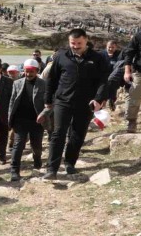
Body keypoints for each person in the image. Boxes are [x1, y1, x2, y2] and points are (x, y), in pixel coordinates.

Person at [45, 29, 109, 179]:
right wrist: (48, 100)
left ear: (86, 40)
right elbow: (51, 79)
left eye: (79, 43)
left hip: (86, 103)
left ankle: (69, 164)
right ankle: (52, 169)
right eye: (72, 43)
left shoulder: (97, 58)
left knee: (77, 135)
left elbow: (103, 81)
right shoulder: (61, 56)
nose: (75, 46)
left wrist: (99, 99)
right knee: (58, 134)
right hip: (63, 101)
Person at [7, 59, 50, 181]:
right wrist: (10, 120)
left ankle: (37, 160)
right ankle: (14, 170)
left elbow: (50, 103)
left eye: (31, 72)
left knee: (36, 145)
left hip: (37, 121)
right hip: (20, 120)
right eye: (26, 71)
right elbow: (12, 102)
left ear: (37, 71)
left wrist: (43, 114)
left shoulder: (44, 84)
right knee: (18, 145)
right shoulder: (17, 83)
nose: (29, 74)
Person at [100, 40, 122, 110]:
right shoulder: (101, 54)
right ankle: (101, 106)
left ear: (116, 47)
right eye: (109, 47)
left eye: (113, 47)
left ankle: (112, 102)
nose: (110, 49)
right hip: (103, 77)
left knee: (113, 91)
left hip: (114, 77)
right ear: (106, 46)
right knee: (102, 92)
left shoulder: (119, 54)